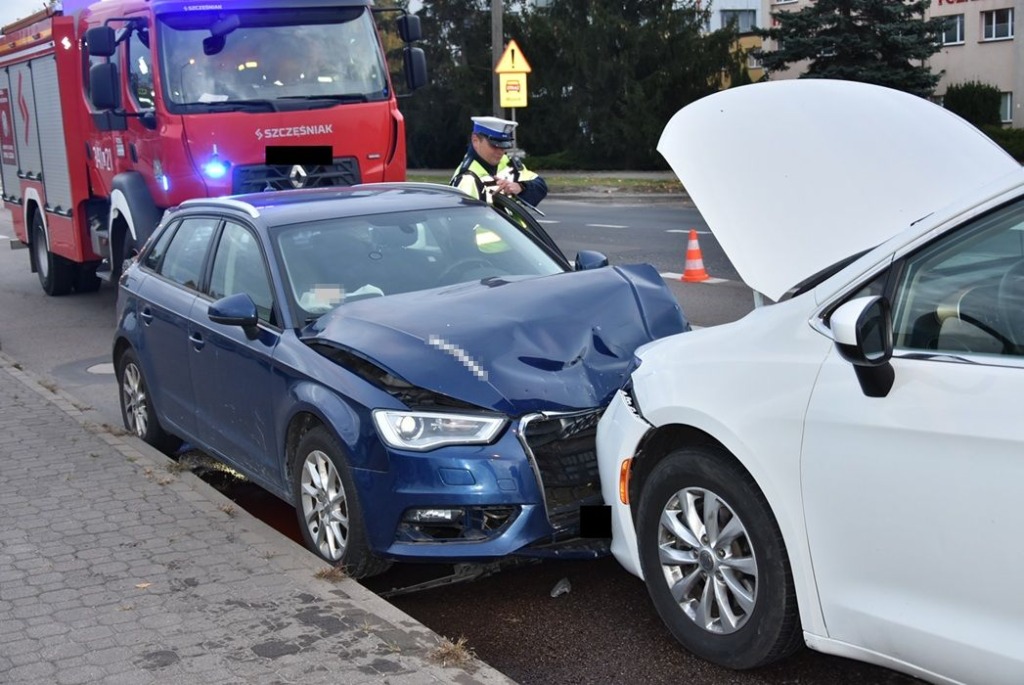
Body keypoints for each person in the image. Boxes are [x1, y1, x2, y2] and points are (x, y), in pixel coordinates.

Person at [450, 116, 548, 207]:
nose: (500, 151)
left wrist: (521, 187)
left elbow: (541, 186)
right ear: (475, 140)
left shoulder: (507, 163)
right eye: (494, 145)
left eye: (504, 146)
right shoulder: (467, 179)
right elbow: (464, 222)